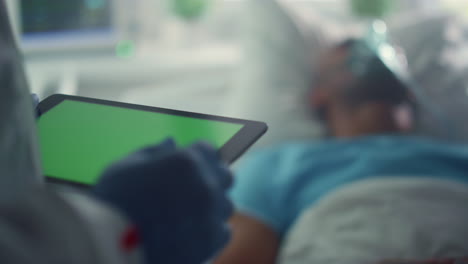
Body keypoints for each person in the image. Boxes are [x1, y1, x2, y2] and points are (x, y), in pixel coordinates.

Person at [214, 39, 468, 264]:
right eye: (348, 54)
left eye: (377, 50)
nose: (368, 54)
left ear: (410, 91)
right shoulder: (276, 166)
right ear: (318, 96)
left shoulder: (461, 157)